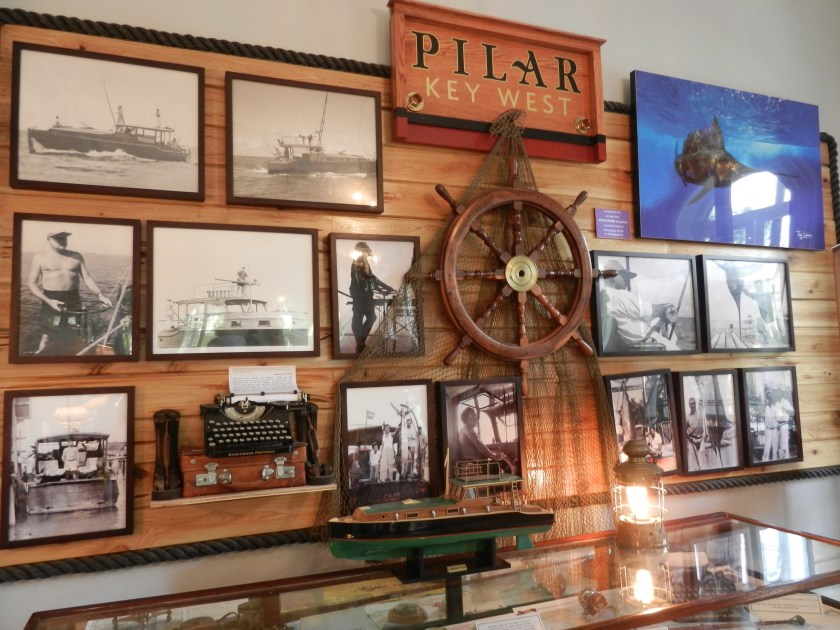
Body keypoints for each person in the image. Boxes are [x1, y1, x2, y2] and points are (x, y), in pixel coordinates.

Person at [27, 230, 112, 355]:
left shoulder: (76, 256)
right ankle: (39, 353)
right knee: (48, 332)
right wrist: (49, 301)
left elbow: (87, 277)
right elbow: (31, 284)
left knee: (74, 327)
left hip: (73, 299)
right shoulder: (39, 258)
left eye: (64, 238)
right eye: (58, 238)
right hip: (52, 298)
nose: (63, 240)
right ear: (48, 240)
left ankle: (72, 354)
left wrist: (100, 295)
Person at [600, 260, 679, 351]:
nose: (627, 280)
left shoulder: (605, 295)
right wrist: (669, 307)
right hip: (648, 342)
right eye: (624, 275)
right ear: (612, 276)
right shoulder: (620, 295)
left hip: (635, 343)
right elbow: (652, 310)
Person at [348, 241, 395, 353]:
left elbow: (372, 279)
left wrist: (386, 288)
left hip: (366, 295)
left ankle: (360, 342)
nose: (366, 255)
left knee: (370, 317)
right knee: (358, 317)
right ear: (361, 252)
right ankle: (360, 343)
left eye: (366, 253)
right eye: (364, 253)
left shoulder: (365, 264)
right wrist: (384, 288)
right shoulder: (357, 264)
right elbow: (369, 279)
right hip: (359, 295)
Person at [685, 398, 706, 470]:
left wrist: (705, 436)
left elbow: (705, 425)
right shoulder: (687, 417)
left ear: (695, 403)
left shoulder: (701, 414)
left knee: (702, 458)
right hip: (692, 440)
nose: (692, 405)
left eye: (693, 403)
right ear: (689, 405)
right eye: (691, 404)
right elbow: (684, 430)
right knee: (694, 460)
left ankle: (703, 472)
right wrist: (688, 438)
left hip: (701, 438)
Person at [762, 392, 781, 462]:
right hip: (768, 430)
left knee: (775, 449)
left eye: (771, 397)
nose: (770, 399)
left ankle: (775, 462)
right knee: (766, 448)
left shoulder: (775, 408)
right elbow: (762, 417)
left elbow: (778, 418)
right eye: (768, 397)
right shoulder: (765, 408)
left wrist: (777, 425)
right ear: (767, 398)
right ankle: (764, 462)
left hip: (774, 430)